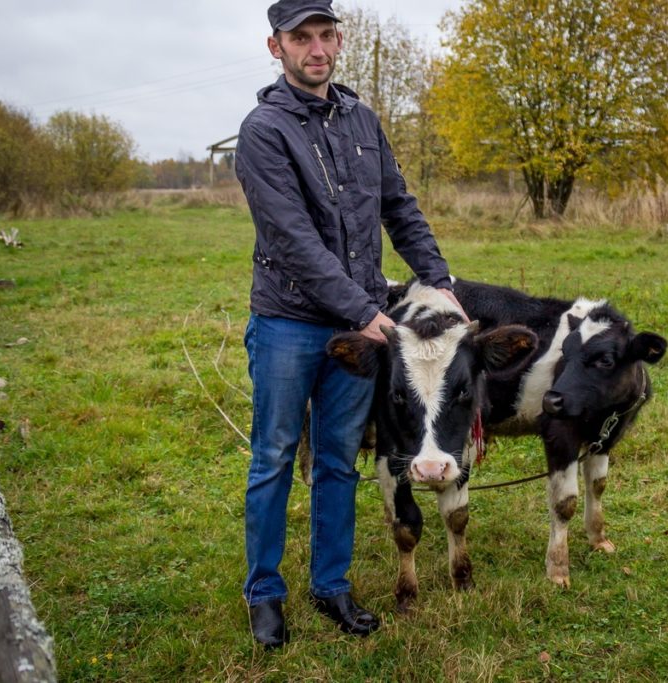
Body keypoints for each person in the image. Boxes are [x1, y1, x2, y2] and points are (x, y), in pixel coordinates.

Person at [235, 0, 465, 649]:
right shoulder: (264, 131)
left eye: (325, 34)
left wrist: (440, 282)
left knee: (338, 460)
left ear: (339, 40)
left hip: (358, 333)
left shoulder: (363, 119)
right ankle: (265, 592)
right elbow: (293, 239)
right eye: (299, 37)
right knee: (275, 457)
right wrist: (367, 313)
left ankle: (331, 585)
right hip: (288, 322)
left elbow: (399, 205)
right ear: (275, 47)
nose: (315, 48)